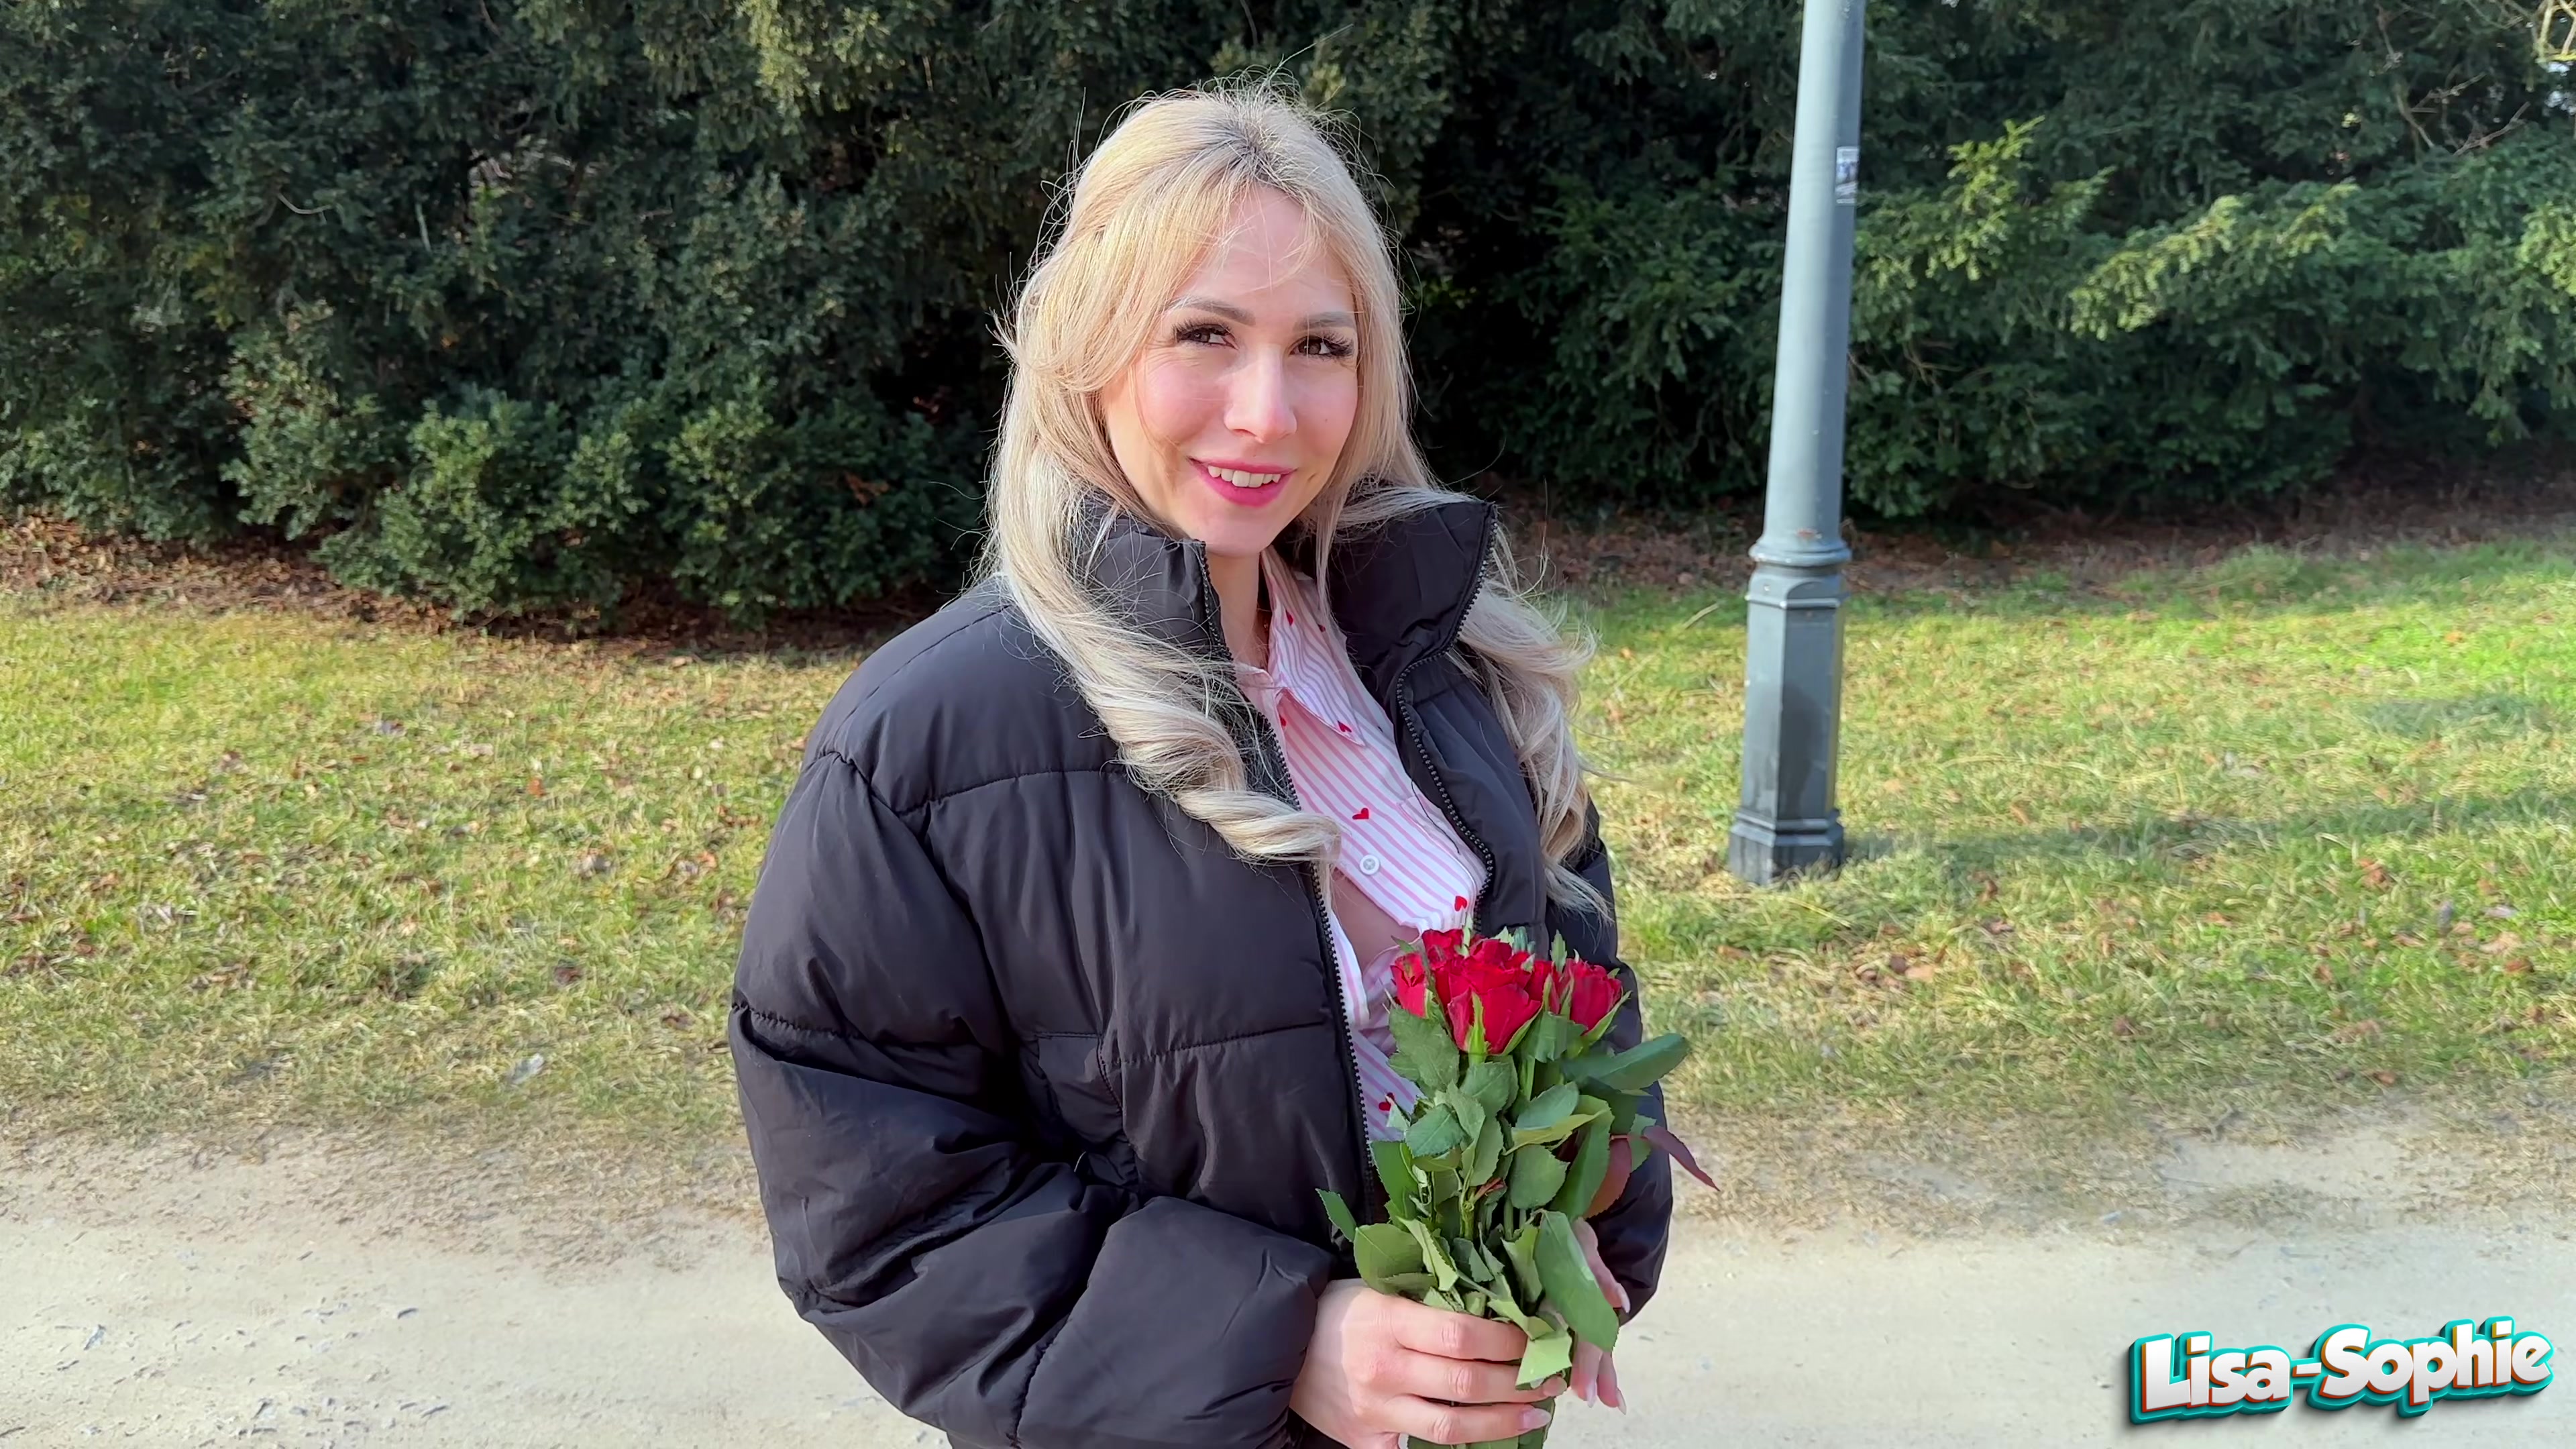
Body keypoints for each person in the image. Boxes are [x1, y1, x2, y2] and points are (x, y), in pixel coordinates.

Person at [728, 81, 1674, 1449]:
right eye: (1205, 335)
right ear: (1093, 347)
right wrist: (1282, 1343)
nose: (1266, 413)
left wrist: (1576, 1220)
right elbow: (880, 1211)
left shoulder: (1453, 671)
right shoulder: (930, 739)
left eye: (1320, 346)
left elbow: (1590, 1003)